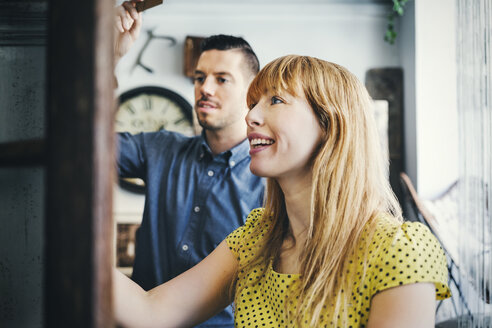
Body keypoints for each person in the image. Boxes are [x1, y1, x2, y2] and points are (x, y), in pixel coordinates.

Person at [113, 55, 451, 328]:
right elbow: (151, 313)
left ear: (329, 125)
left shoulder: (398, 249)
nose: (252, 116)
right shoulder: (256, 239)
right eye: (254, 102)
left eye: (275, 100)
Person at [113, 2, 265, 327]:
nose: (204, 88)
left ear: (253, 91)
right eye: (200, 77)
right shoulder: (158, 149)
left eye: (222, 79)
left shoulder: (269, 178)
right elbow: (85, 145)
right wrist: (109, 56)